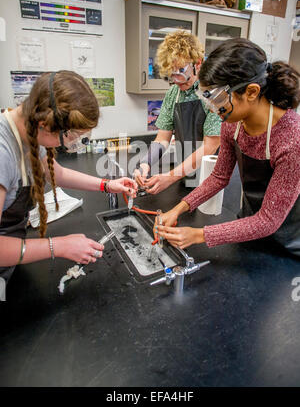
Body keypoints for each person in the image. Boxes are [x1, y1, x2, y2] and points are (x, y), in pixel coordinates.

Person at [155, 38, 300, 255]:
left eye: (218, 99)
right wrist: (179, 208)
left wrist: (198, 235)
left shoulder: (292, 139)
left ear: (251, 92)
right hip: (247, 227)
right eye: (208, 100)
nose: (214, 110)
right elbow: (219, 177)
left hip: (287, 242)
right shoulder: (233, 125)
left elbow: (269, 220)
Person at [0, 71, 137, 282]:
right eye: (72, 136)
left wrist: (108, 185)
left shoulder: (28, 131)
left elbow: (59, 174)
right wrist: (59, 246)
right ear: (44, 125)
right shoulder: (3, 152)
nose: (73, 143)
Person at [134, 30, 222, 194]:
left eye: (181, 71)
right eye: (171, 73)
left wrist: (170, 176)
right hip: (186, 174)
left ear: (198, 63)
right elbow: (162, 139)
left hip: (214, 177)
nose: (176, 79)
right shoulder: (173, 94)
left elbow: (210, 146)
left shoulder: (213, 92)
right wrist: (145, 163)